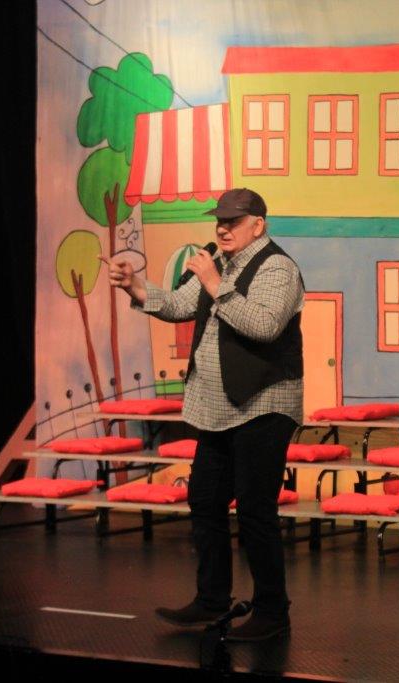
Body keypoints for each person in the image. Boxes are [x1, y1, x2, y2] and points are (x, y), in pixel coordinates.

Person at [103, 188, 303, 641]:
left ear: (259, 225)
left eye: (233, 221)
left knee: (255, 511)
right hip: (218, 407)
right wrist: (134, 285)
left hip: (263, 405)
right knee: (206, 500)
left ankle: (273, 612)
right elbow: (178, 305)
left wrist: (215, 283)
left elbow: (264, 326)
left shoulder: (277, 268)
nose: (222, 228)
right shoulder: (218, 262)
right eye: (220, 220)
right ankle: (212, 599)